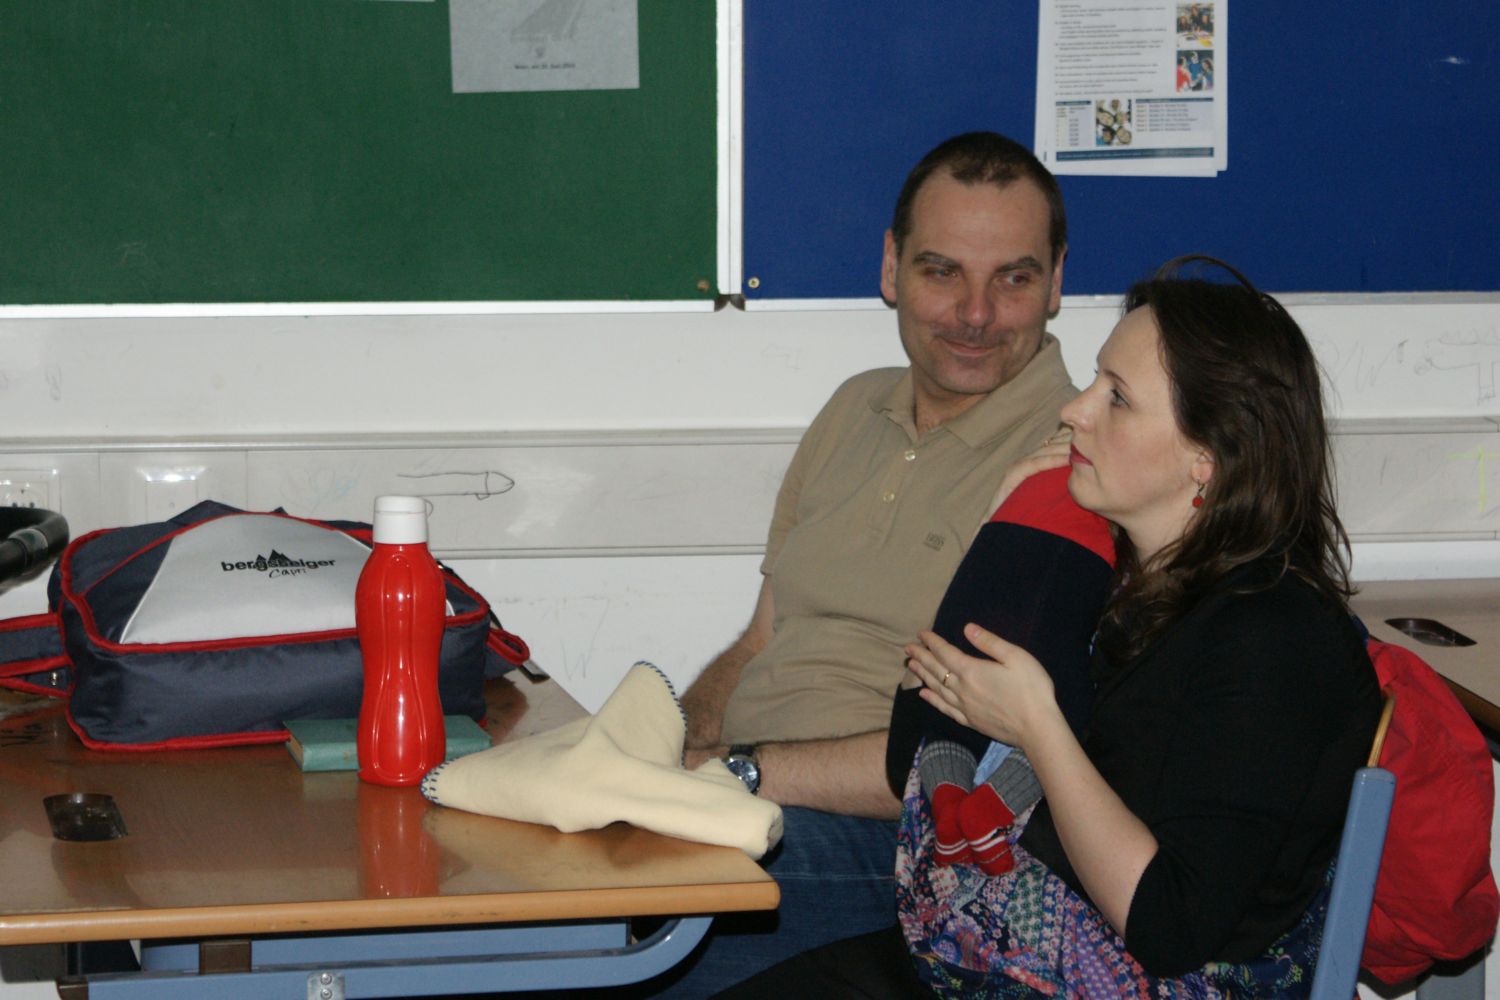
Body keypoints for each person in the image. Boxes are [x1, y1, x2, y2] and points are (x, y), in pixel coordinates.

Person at [722, 256, 1383, 997]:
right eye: (1095, 381)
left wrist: (1039, 727)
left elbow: (1169, 927)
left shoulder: (1274, 639)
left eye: (1117, 398)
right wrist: (1003, 537)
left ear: (1207, 457)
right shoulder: (1127, 583)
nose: (1075, 410)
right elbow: (918, 749)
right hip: (1014, 944)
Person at [647, 132, 1077, 995]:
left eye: (1012, 279)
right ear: (891, 268)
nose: (975, 314)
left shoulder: (1068, 465)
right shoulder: (853, 409)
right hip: (748, 792)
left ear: (1057, 282)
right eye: (942, 271)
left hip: (906, 844)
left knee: (617, 920)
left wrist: (730, 776)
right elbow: (762, 639)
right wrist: (667, 752)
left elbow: (981, 756)